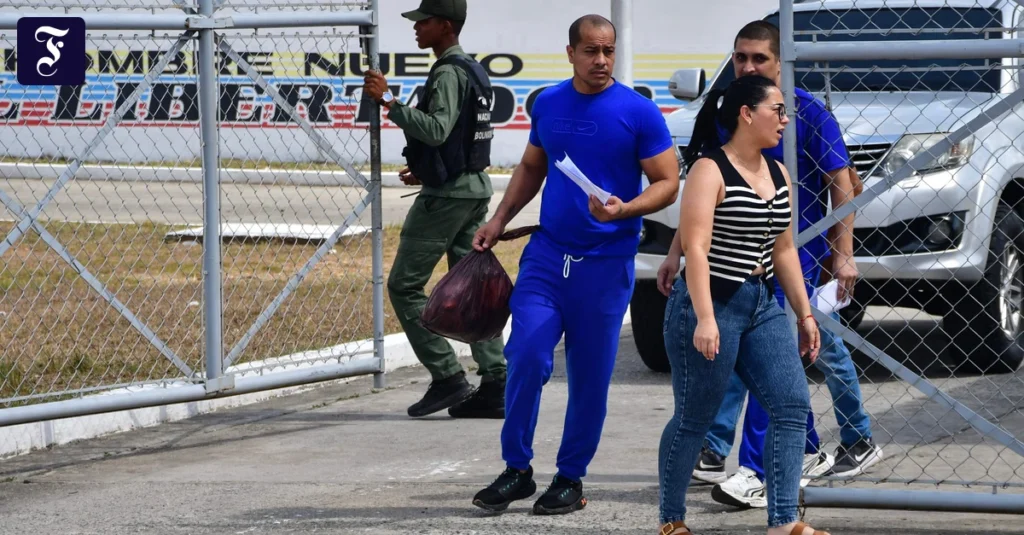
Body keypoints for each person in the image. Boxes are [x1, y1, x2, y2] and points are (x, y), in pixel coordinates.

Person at [657, 20, 883, 509]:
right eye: (740, 57)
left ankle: (762, 470)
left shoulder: (805, 113)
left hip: (794, 259)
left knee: (797, 357)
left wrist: (843, 255)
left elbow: (843, 182)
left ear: (781, 63)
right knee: (761, 368)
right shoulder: (730, 113)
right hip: (732, 268)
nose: (747, 66)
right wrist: (677, 251)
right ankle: (742, 451)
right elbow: (703, 199)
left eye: (759, 58)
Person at [468, 14, 680, 515]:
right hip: (547, 256)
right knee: (527, 355)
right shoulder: (549, 102)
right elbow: (532, 166)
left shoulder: (638, 111)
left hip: (605, 265)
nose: (601, 60)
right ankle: (517, 470)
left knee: (588, 378)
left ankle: (570, 477)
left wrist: (625, 209)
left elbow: (668, 182)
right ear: (570, 53)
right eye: (590, 50)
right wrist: (498, 219)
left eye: (608, 50)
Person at [657, 74, 829, 535]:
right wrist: (705, 318)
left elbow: (784, 249)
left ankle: (783, 522)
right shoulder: (709, 170)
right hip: (709, 301)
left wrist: (805, 314)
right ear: (746, 114)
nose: (785, 120)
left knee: (791, 405)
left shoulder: (778, 173)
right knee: (695, 416)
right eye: (778, 110)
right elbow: (695, 248)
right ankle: (671, 520)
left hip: (760, 303)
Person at [362, 0, 506, 419]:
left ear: (445, 25)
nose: (416, 28)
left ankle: (447, 376)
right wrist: (428, 167)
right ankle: (496, 382)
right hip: (471, 189)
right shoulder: (472, 68)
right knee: (474, 289)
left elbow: (439, 129)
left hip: (447, 199)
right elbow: (460, 136)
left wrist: (388, 101)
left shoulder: (446, 71)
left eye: (423, 22)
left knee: (404, 286)